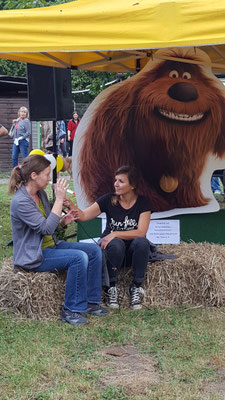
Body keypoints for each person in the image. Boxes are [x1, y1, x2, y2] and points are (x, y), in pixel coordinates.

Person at [9, 154, 108, 325]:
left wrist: (62, 222)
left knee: (93, 251)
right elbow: (45, 228)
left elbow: (49, 225)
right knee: (79, 258)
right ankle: (71, 310)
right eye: (47, 174)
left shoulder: (40, 195)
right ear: (34, 176)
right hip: (34, 255)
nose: (49, 178)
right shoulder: (20, 202)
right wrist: (60, 199)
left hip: (52, 246)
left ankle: (91, 302)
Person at [65, 165, 152, 310]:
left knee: (142, 242)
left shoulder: (143, 202)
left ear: (133, 185)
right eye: (115, 180)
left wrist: (115, 233)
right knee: (116, 243)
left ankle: (136, 287)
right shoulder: (108, 200)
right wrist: (71, 205)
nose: (116, 184)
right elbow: (84, 215)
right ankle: (110, 288)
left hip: (131, 251)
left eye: (121, 181)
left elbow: (141, 232)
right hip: (112, 250)